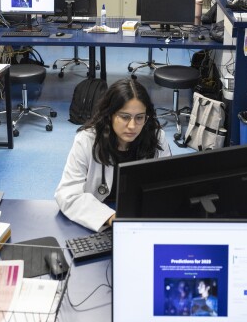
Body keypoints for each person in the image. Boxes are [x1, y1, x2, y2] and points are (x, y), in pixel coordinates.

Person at [55, 78, 171, 231]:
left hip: (141, 218)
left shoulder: (156, 138)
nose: (132, 126)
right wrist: (111, 218)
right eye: (125, 117)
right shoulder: (87, 140)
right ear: (110, 114)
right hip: (96, 217)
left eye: (139, 117)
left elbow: (168, 187)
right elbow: (67, 194)